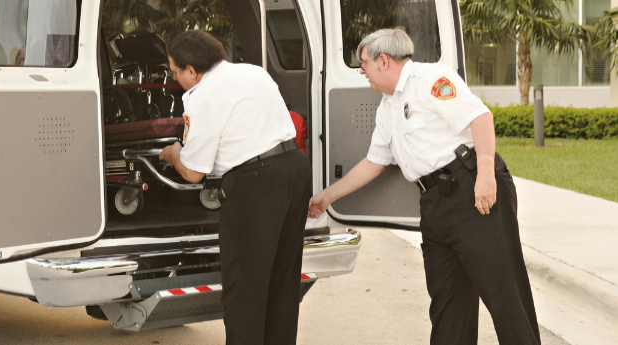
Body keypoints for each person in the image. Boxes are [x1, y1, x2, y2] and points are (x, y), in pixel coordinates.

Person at [308, 28, 540, 345]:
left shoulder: (430, 80)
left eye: (363, 63)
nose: (361, 71)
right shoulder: (387, 108)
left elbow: (480, 117)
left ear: (384, 60)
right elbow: (374, 163)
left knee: (504, 294)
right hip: (435, 204)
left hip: (471, 190)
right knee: (448, 304)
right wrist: (326, 196)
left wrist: (486, 175)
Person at [158, 30, 312, 345]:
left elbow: (193, 172)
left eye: (174, 72)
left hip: (256, 184)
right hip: (294, 170)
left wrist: (172, 153)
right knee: (282, 283)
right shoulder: (252, 71)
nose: (175, 79)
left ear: (191, 70)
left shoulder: (202, 95)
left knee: (245, 289)